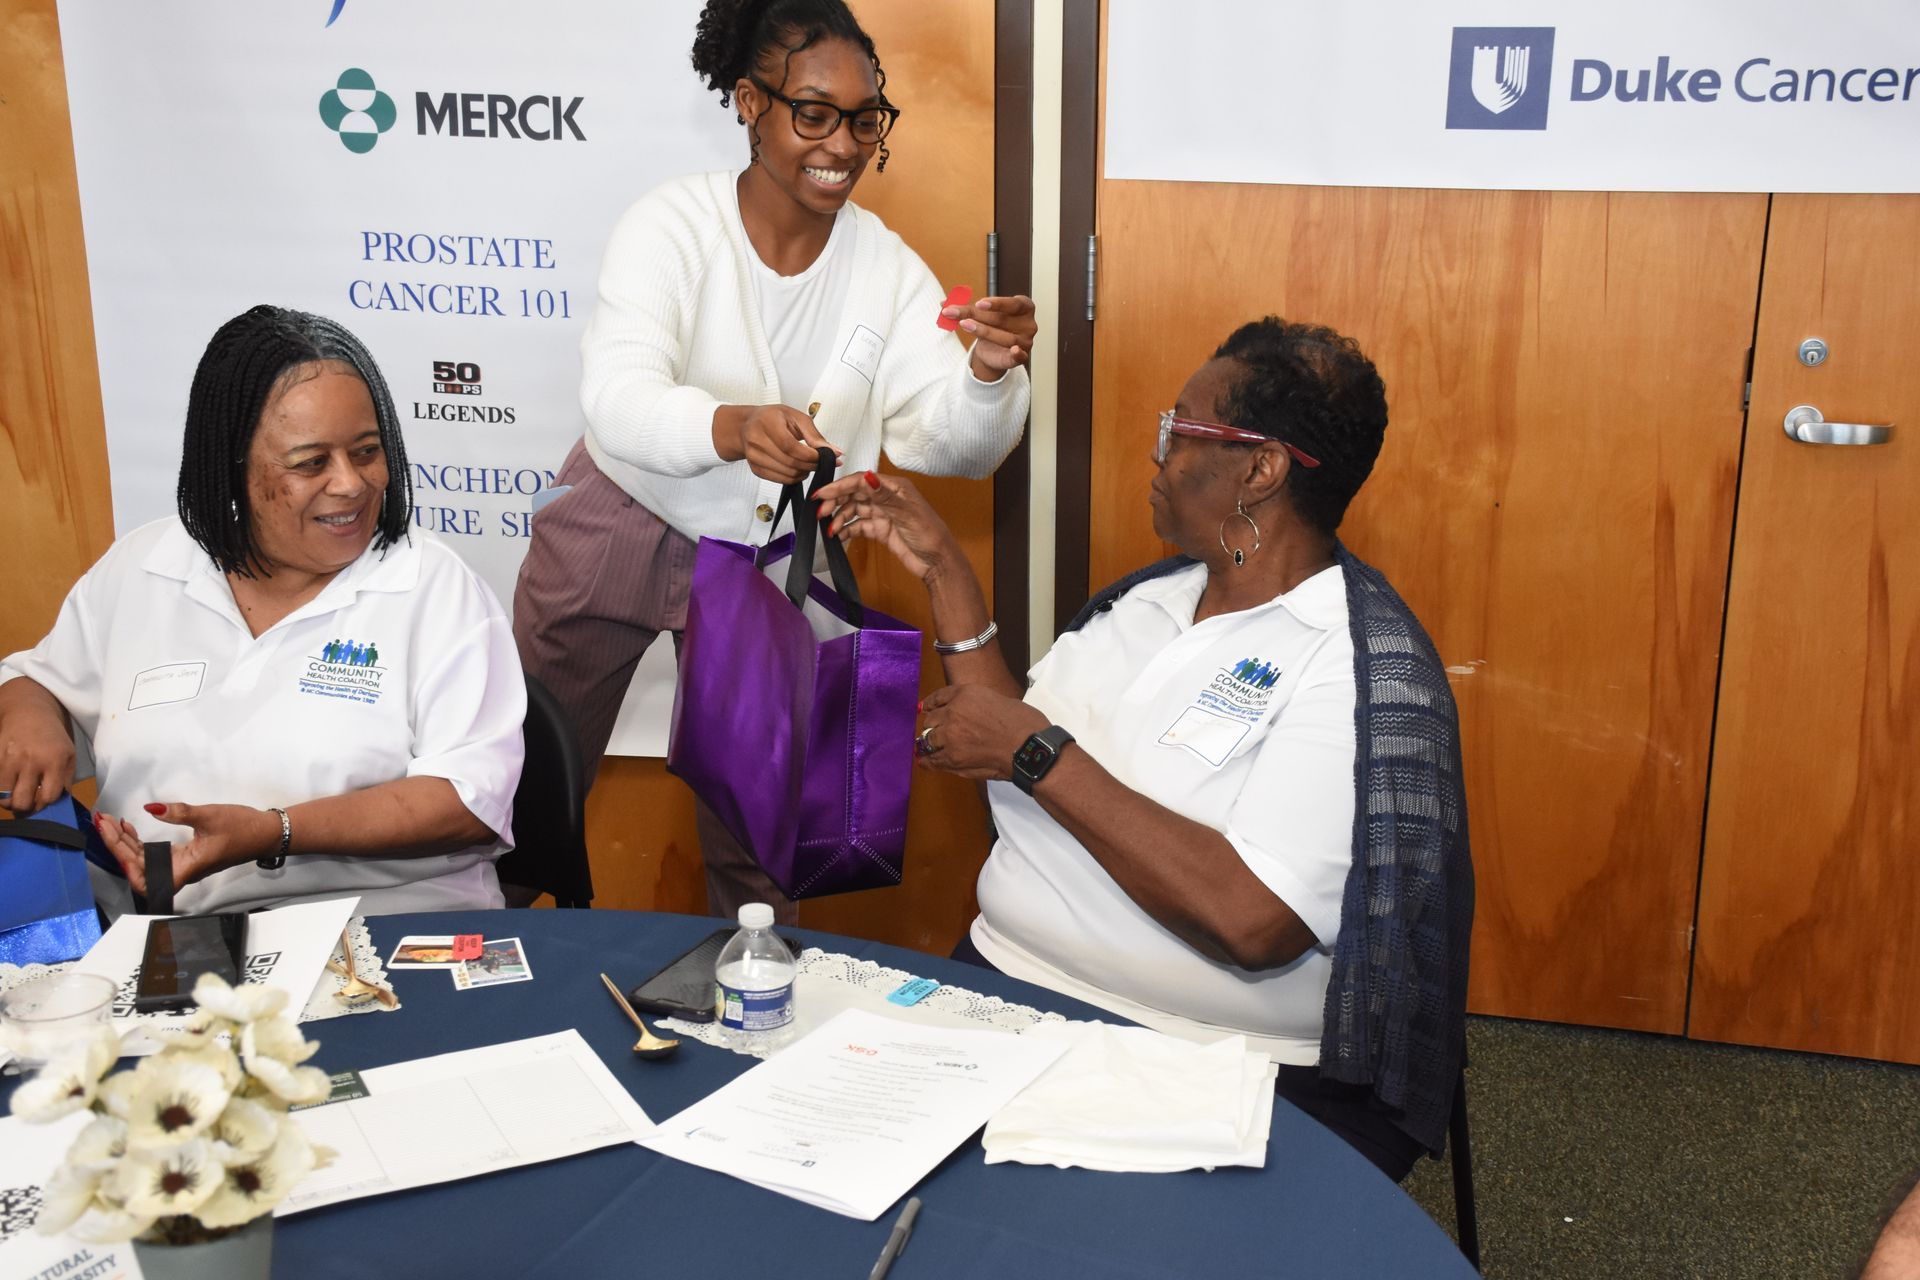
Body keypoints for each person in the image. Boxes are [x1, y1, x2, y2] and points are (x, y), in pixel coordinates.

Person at [813, 318, 1473, 1180]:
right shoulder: (1150, 600)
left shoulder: (1351, 664)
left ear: (1261, 469)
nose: (1157, 458)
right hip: (1005, 988)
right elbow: (1006, 743)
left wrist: (1037, 753)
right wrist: (945, 571)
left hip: (1199, 1058)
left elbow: (1254, 923)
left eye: (1180, 432)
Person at [512, 0, 1035, 926]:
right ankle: (479, 981)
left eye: (866, 117)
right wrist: (731, 425)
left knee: (761, 846)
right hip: (617, 523)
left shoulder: (886, 268)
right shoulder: (672, 225)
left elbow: (952, 443)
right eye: (813, 112)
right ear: (750, 103)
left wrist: (987, 375)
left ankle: (757, 1027)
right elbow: (618, 396)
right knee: (520, 799)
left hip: (768, 558)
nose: (843, 143)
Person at [0, 305, 525, 915]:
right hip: (171, 936)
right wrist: (31, 712)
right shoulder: (146, 565)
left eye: (366, 451)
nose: (351, 483)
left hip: (388, 924)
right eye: (310, 463)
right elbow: (39, 683)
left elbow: (467, 804)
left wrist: (275, 831)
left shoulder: (432, 585)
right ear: (232, 466)